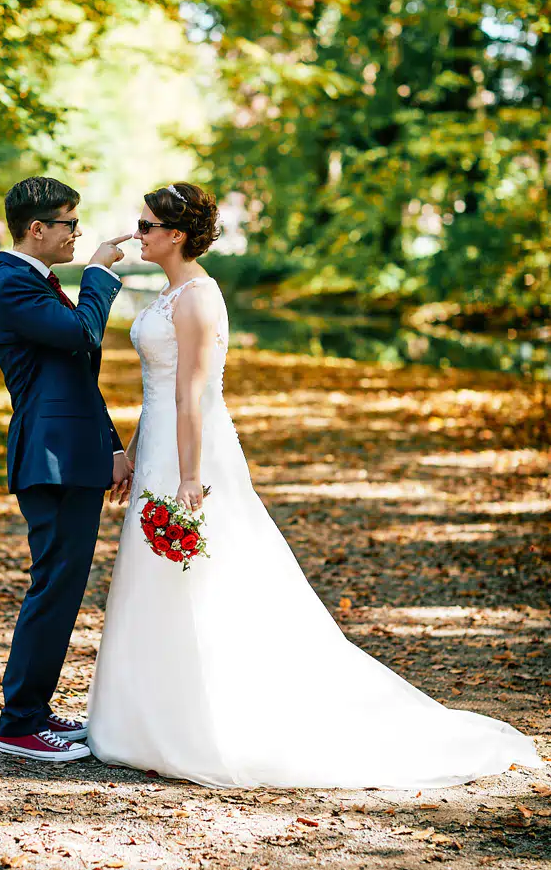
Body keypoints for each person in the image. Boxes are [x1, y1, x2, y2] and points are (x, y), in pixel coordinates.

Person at [87, 181, 544, 789]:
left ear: (176, 235)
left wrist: (190, 478)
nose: (137, 233)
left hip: (190, 452)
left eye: (146, 226)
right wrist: (131, 451)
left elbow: (190, 395)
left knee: (201, 574)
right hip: (160, 448)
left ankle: (205, 721)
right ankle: (149, 715)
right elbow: (158, 393)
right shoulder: (171, 294)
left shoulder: (196, 299)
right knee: (158, 575)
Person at [0, 176, 134, 762]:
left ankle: (35, 709)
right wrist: (98, 274)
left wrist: (111, 447)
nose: (77, 232)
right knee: (53, 587)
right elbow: (82, 333)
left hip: (73, 453)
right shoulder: (11, 284)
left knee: (64, 587)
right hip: (49, 459)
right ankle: (19, 724)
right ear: (37, 228)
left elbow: (75, 373)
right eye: (70, 223)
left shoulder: (36, 281)